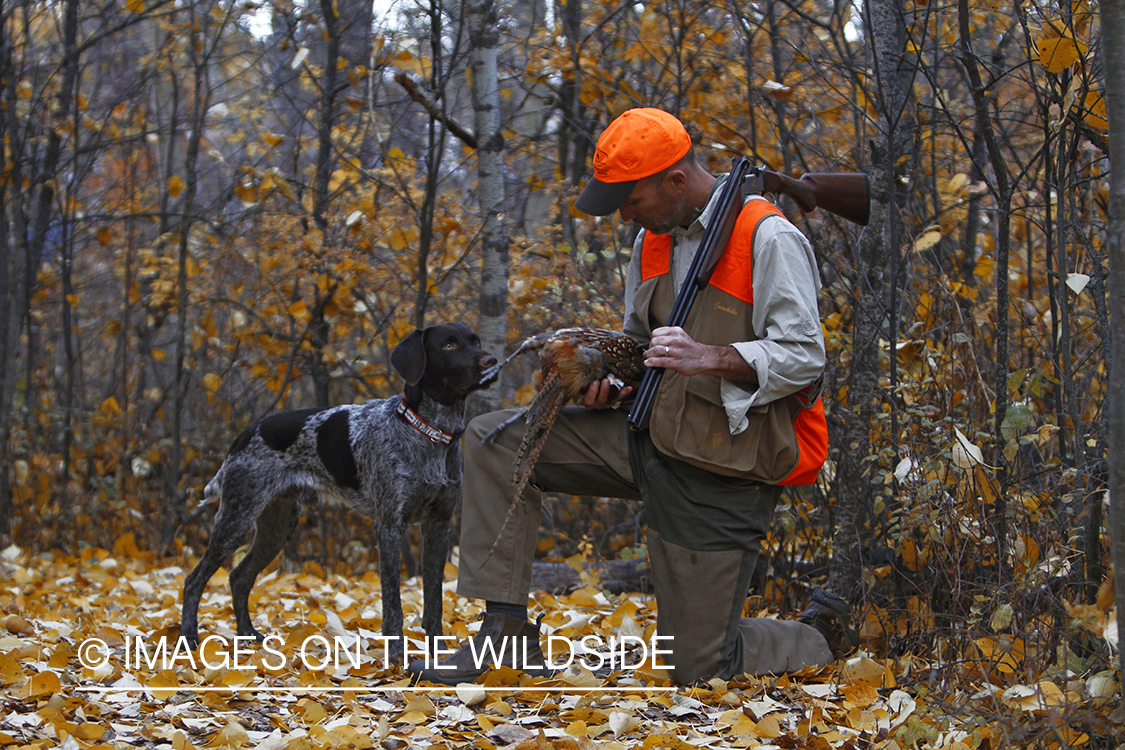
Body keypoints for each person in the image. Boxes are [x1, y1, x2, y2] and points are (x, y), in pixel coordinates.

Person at [409, 107, 857, 685]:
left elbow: (807, 357)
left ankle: (818, 635)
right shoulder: (653, 238)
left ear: (675, 180)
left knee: (699, 668)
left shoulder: (768, 236)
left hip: (725, 462)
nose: (623, 214)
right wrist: (610, 387)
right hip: (650, 435)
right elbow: (643, 350)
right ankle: (504, 639)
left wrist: (713, 357)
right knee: (494, 440)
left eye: (631, 197)